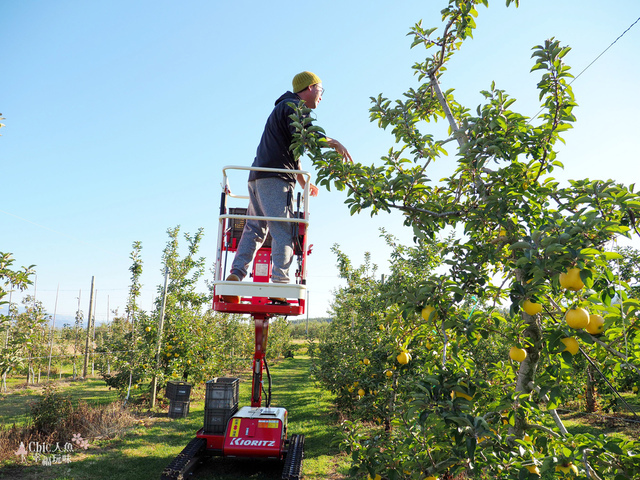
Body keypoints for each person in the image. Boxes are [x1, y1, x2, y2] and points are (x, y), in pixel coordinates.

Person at [223, 71, 352, 302]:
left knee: (254, 230)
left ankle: (235, 276)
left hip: (256, 177)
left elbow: (294, 151)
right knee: (283, 229)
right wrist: (334, 142)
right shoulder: (295, 107)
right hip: (275, 179)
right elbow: (306, 138)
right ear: (311, 88)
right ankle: (281, 286)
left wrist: (303, 182)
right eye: (321, 91)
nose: (321, 97)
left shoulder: (282, 108)